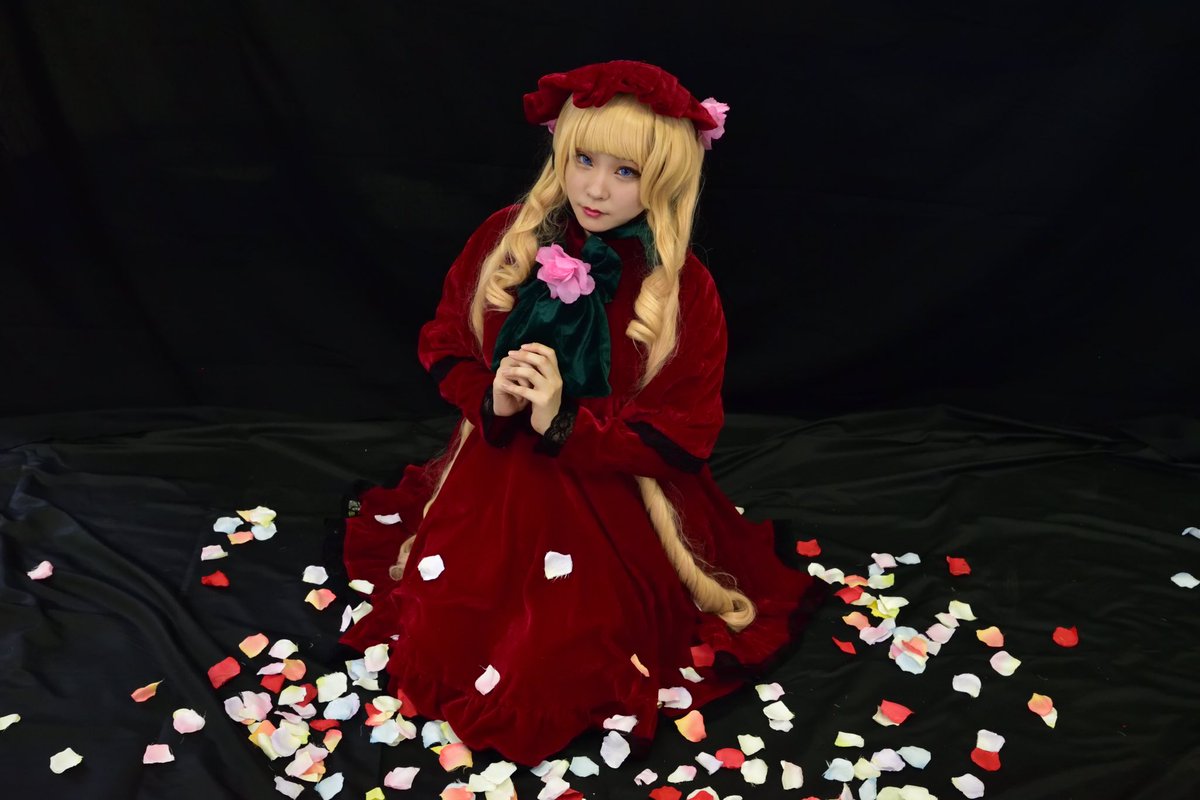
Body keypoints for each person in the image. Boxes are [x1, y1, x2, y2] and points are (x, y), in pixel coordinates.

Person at [339, 60, 821, 767]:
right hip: (496, 481)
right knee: (447, 626)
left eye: (626, 172)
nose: (596, 188)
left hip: (612, 495)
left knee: (569, 646)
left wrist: (565, 422)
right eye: (583, 160)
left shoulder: (684, 288)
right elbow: (445, 339)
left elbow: (685, 430)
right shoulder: (506, 238)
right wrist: (494, 398)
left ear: (664, 177)